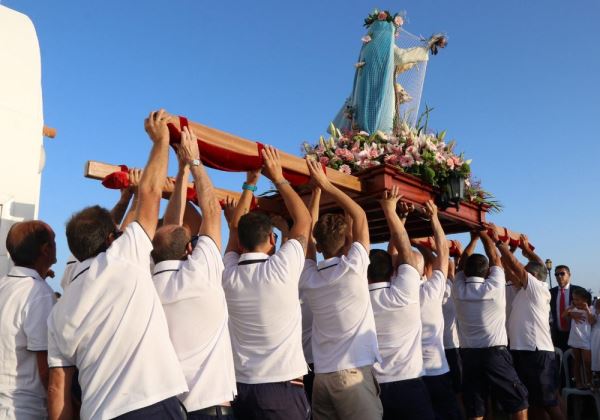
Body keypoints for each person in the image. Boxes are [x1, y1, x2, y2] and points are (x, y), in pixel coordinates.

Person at [46, 110, 188, 420]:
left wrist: (126, 200)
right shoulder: (123, 258)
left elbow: (58, 389)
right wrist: (160, 140)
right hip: (151, 406)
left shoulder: (59, 309)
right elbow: (152, 192)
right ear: (113, 238)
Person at [151, 128, 237, 419]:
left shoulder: (147, 282)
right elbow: (212, 211)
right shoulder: (200, 274)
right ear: (190, 249)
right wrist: (194, 163)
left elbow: (172, 225)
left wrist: (182, 171)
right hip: (210, 407)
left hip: (169, 406)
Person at [222, 146, 311, 420]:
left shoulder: (229, 274)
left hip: (244, 388)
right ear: (272, 240)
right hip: (282, 389)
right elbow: (305, 219)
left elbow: (236, 230)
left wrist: (250, 184)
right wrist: (278, 178)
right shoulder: (280, 269)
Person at [300, 158, 382, 420]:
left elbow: (306, 240)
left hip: (322, 376)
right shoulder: (354, 268)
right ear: (348, 240)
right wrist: (326, 185)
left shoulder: (309, 277)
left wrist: (316, 194)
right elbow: (359, 215)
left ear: (320, 246)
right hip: (352, 373)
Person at [368, 187, 434, 420]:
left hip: (373, 386)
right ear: (393, 271)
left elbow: (398, 255)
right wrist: (391, 212)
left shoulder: (359, 299)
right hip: (409, 383)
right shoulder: (405, 294)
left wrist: (398, 217)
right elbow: (405, 252)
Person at [453, 230, 529, 420]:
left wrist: (474, 239)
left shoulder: (458, 288)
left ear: (464, 272)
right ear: (487, 272)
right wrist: (483, 234)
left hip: (469, 355)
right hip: (495, 353)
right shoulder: (494, 287)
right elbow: (494, 256)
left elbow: (462, 264)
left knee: (475, 406)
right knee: (518, 401)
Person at [496, 230, 564, 420]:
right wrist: (523, 249)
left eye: (526, 272)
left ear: (532, 277)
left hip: (537, 352)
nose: (521, 273)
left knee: (549, 403)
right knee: (533, 402)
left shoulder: (537, 289)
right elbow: (515, 268)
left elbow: (516, 267)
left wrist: (499, 243)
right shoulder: (524, 290)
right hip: (524, 351)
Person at [0, 221, 57, 419]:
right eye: (54, 240)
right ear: (45, 249)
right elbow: (45, 370)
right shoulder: (40, 294)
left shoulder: (4, 285)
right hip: (22, 409)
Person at [413, 202, 462, 420]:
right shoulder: (432, 291)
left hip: (409, 374)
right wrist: (434, 218)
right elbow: (442, 254)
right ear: (425, 270)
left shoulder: (394, 293)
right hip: (435, 369)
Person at [550, 265, 585, 351]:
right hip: (557, 335)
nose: (559, 276)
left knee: (573, 361)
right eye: (556, 274)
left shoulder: (578, 291)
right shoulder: (551, 293)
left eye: (562, 273)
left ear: (569, 274)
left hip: (575, 334)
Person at [564, 288, 594, 388]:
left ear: (584, 299)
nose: (575, 301)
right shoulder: (572, 308)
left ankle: (590, 381)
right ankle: (578, 382)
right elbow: (563, 315)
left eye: (577, 299)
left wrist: (587, 310)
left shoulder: (591, 308)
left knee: (587, 362)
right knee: (576, 361)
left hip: (586, 339)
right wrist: (570, 312)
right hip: (575, 338)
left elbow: (592, 321)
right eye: (574, 299)